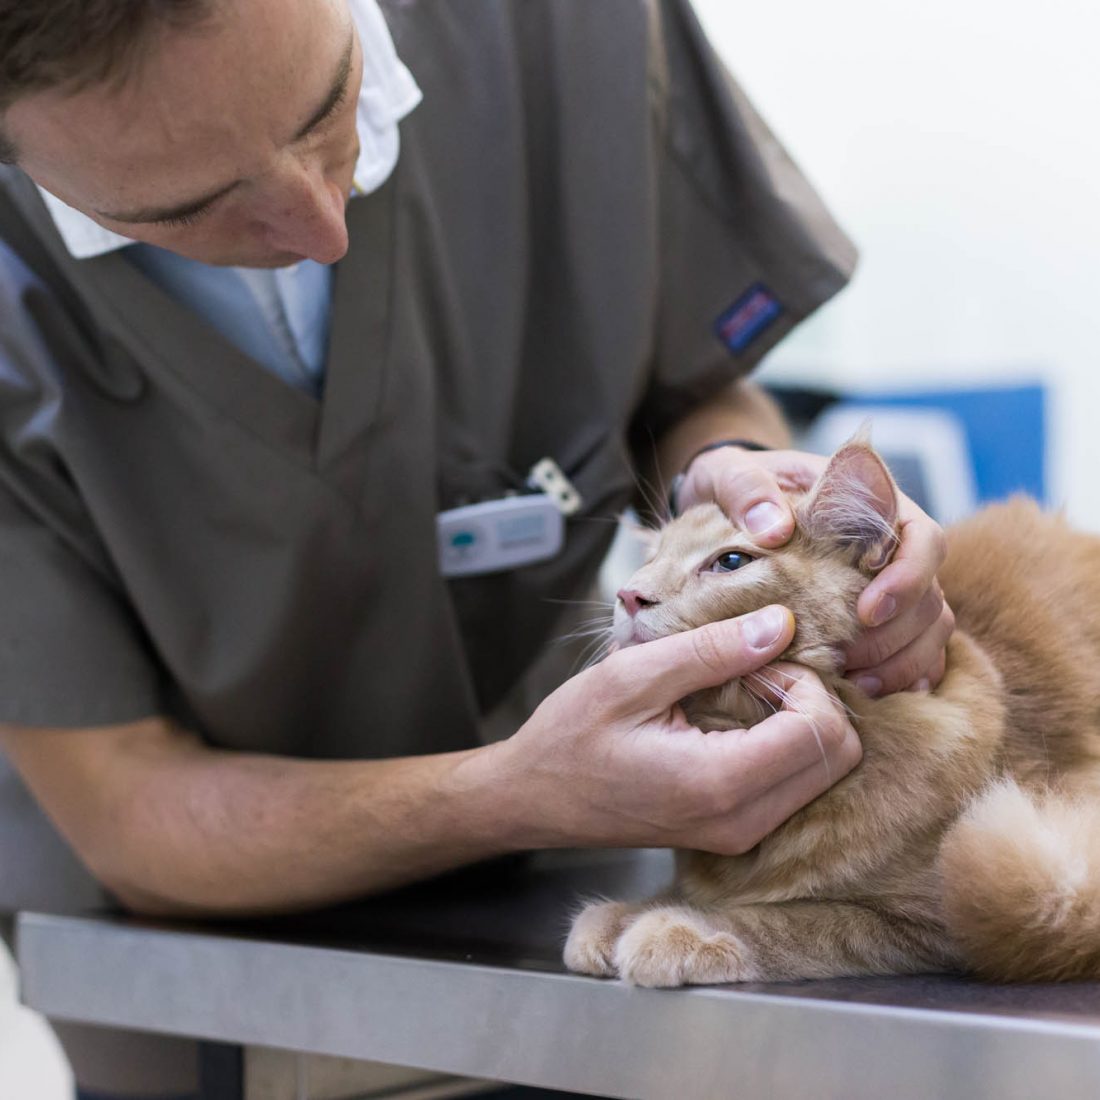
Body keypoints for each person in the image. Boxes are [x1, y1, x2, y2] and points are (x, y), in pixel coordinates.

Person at [0, 0, 953, 1094]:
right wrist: (517, 790)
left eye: (330, 104)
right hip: (194, 983)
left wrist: (735, 478)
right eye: (187, 208)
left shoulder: (570, 28)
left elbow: (690, 376)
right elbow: (125, 804)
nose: (324, 226)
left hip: (572, 913)